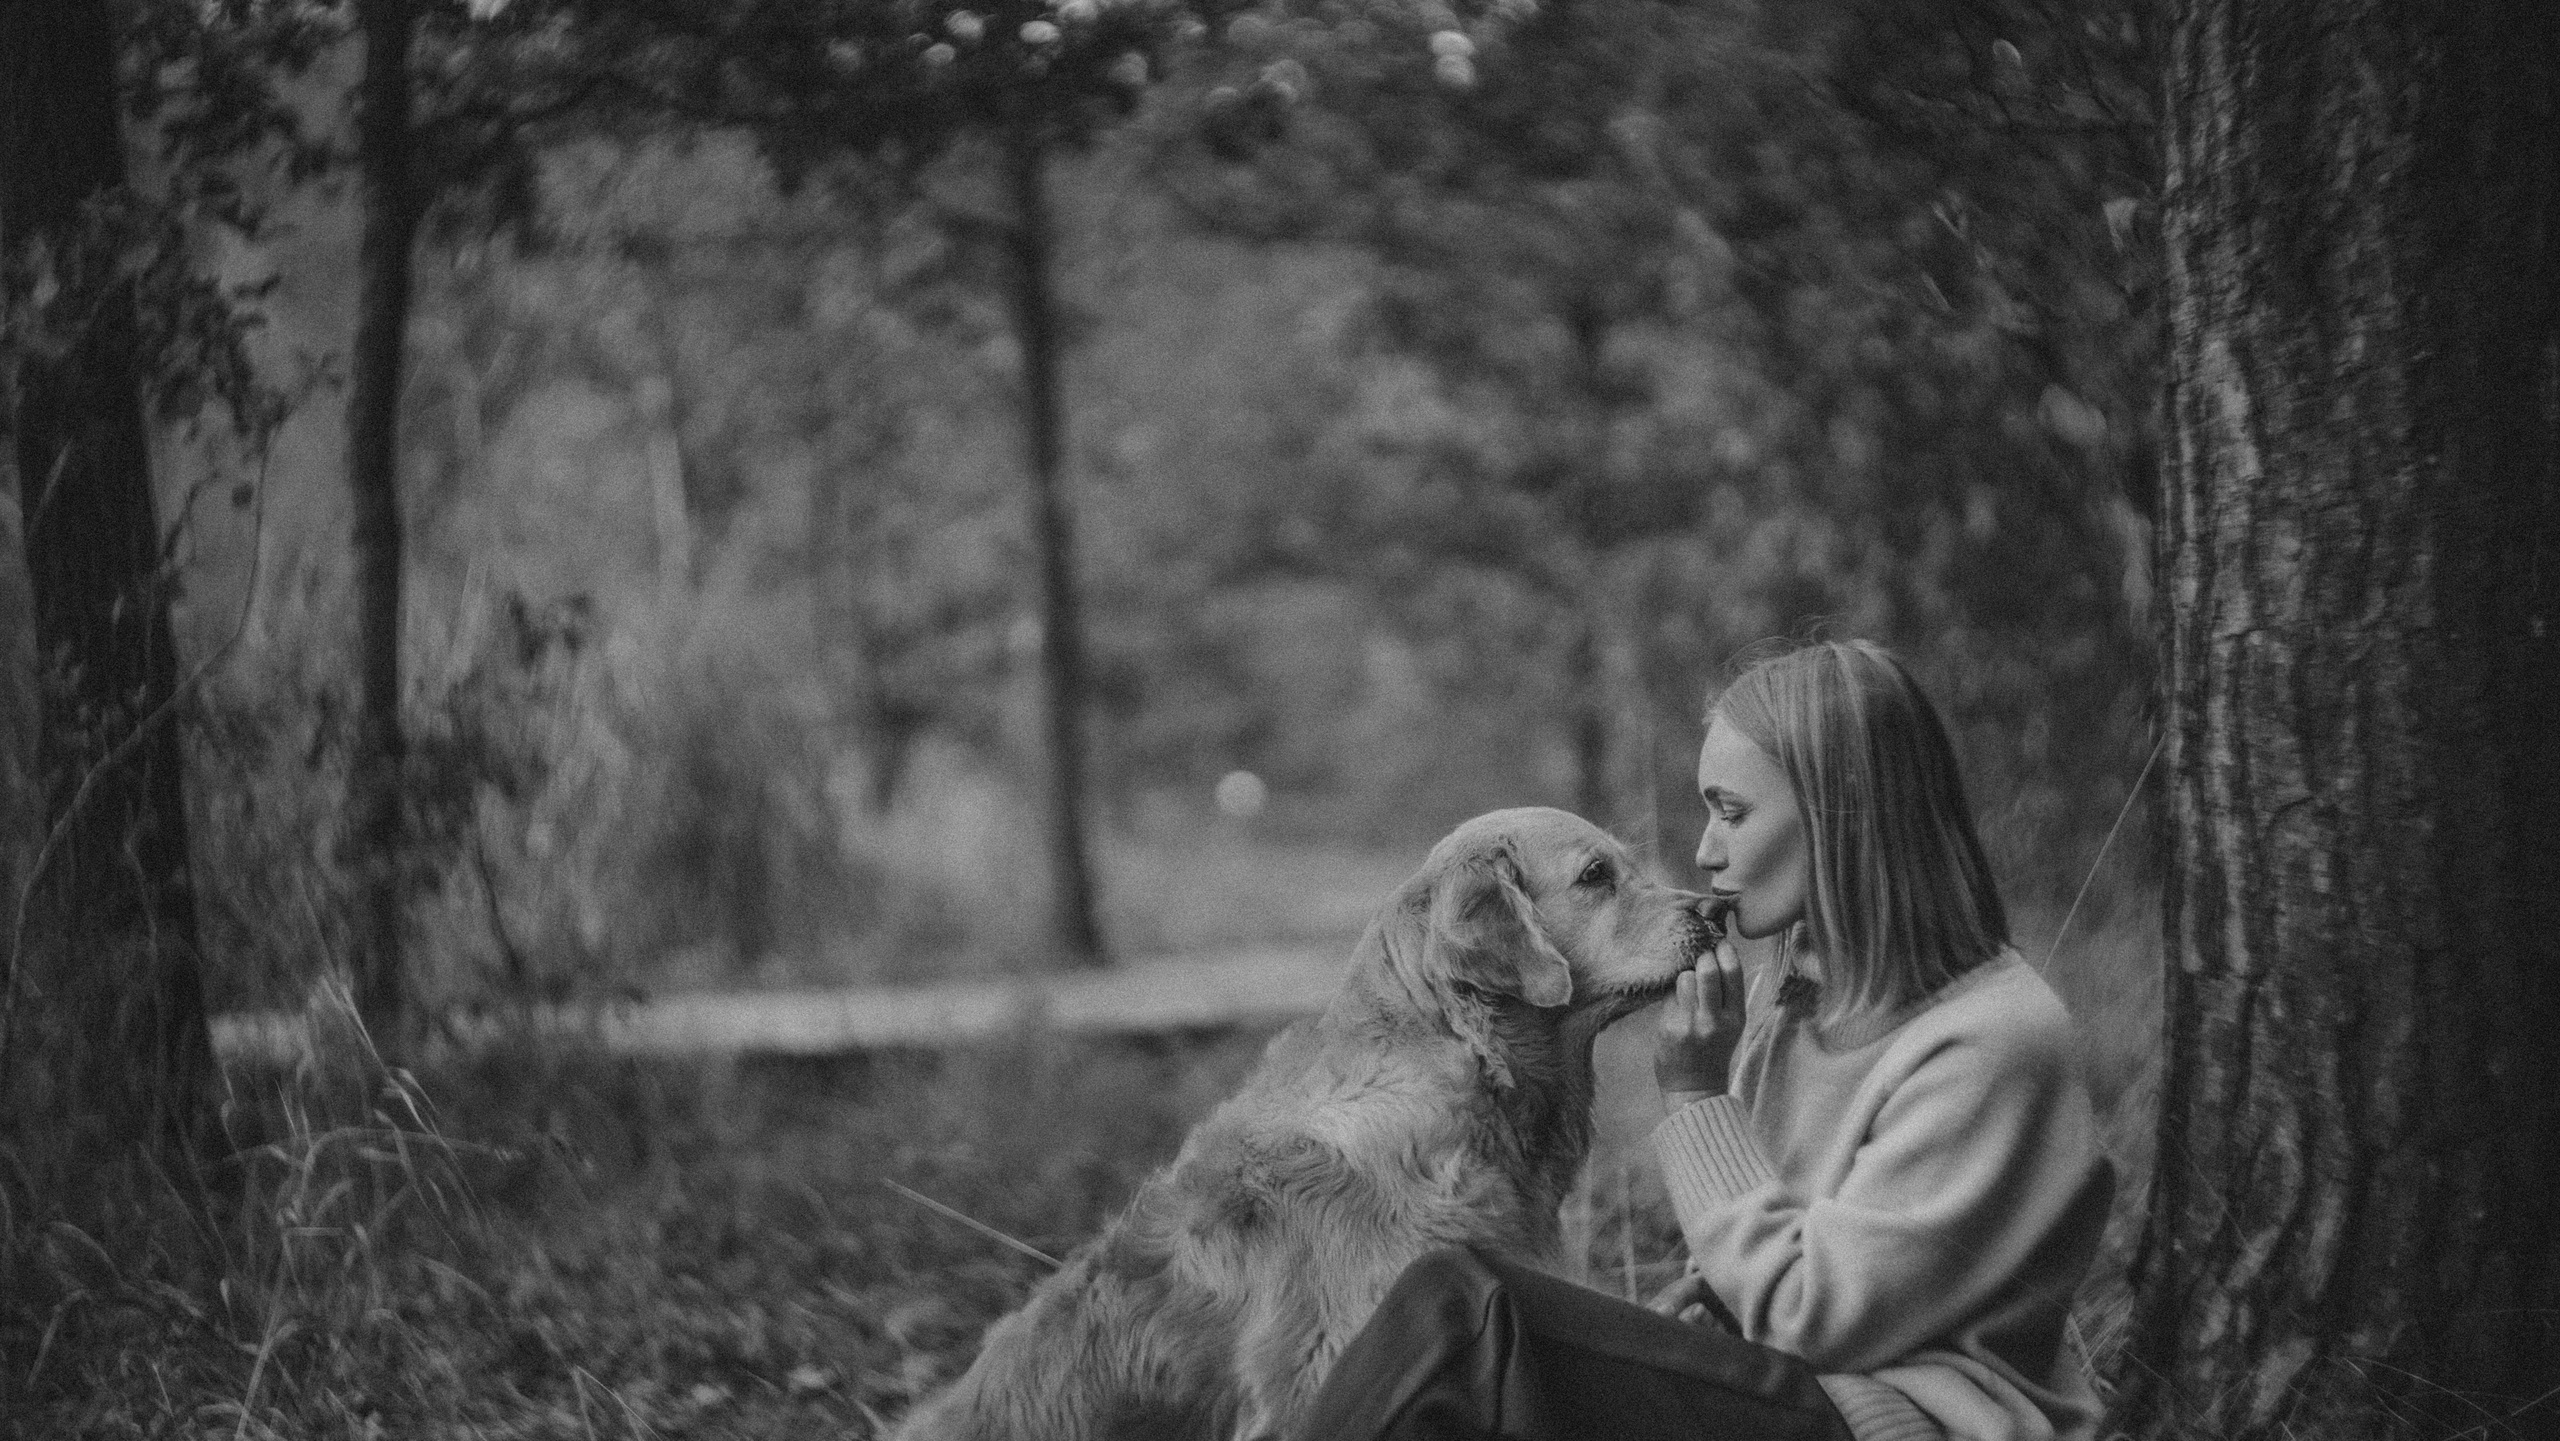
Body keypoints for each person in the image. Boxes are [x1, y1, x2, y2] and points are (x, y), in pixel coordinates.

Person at [1297, 640, 2114, 1441]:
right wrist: (1693, 1323)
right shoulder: (1799, 1000)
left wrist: (1697, 1100)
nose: (1704, 849)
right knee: (1481, 1362)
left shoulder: (1992, 1042)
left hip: (1893, 1423)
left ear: (1842, 811)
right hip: (1802, 1396)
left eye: (1733, 811)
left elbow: (1812, 1315)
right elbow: (1792, 1268)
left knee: (1463, 1310)